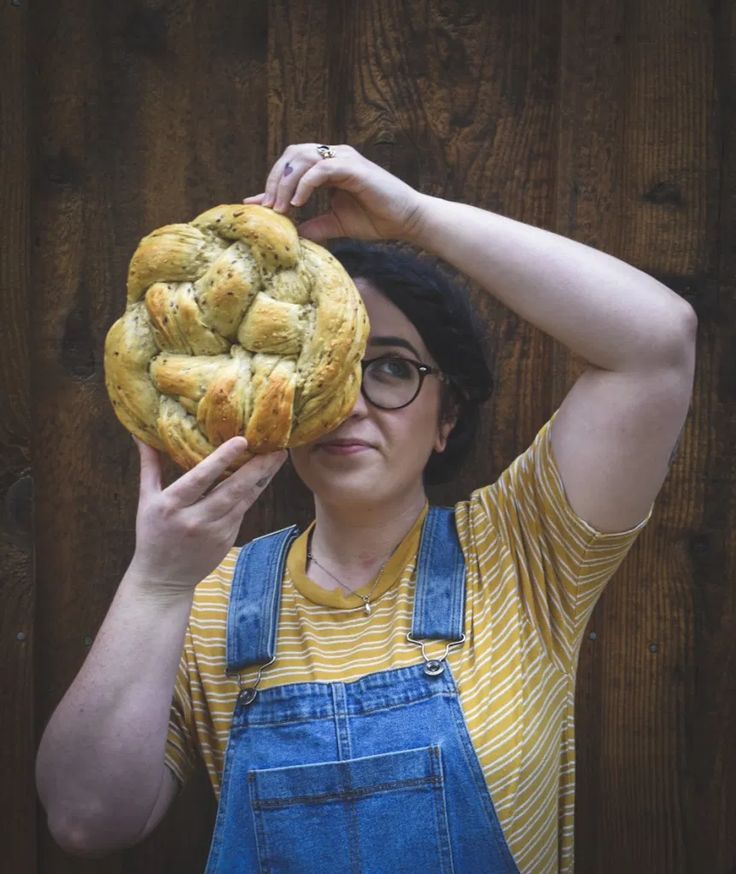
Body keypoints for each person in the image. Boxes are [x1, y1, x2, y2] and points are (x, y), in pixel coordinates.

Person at [35, 143, 697, 873]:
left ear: (447, 417)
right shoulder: (207, 599)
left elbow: (657, 342)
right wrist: (157, 582)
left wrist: (415, 218)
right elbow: (84, 818)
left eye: (387, 367)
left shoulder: (527, 550)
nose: (348, 403)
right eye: (322, 366)